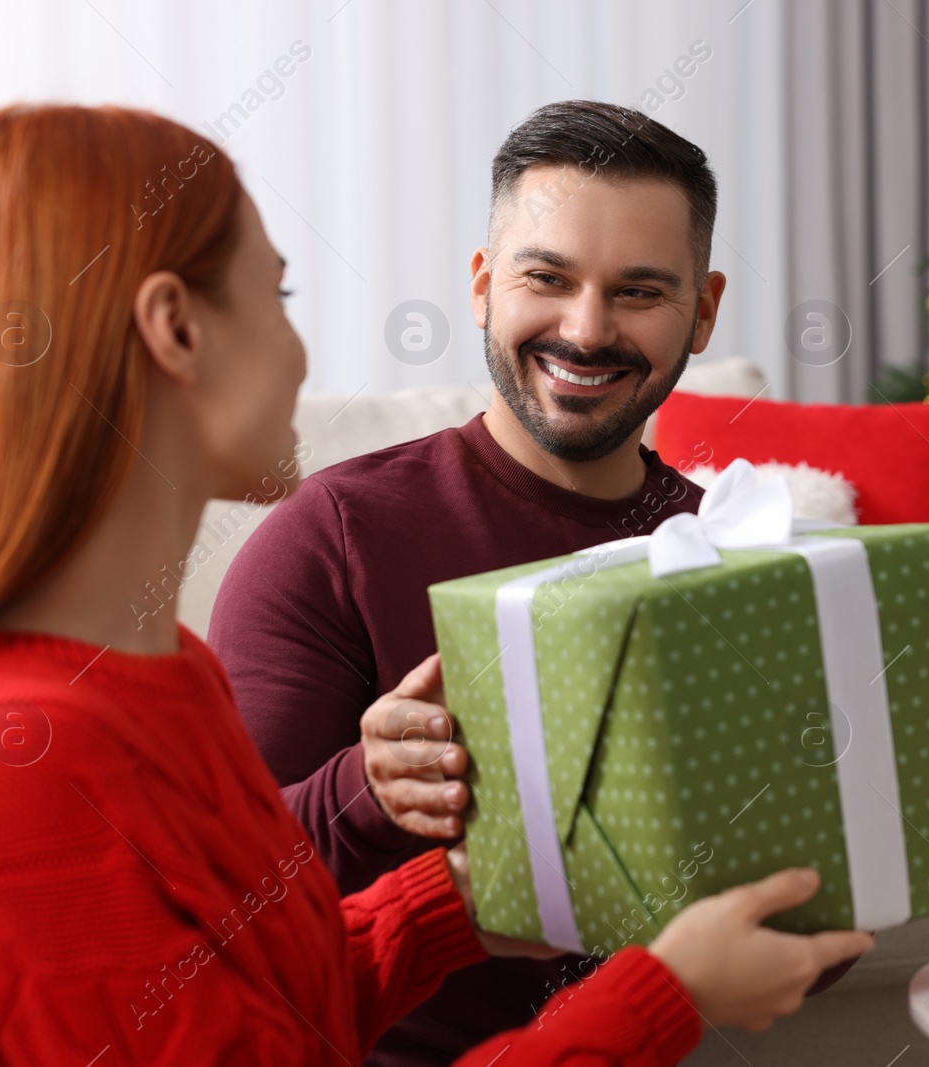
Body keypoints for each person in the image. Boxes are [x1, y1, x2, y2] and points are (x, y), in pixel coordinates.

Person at [0, 105, 872, 1066]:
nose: (302, 350)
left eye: (638, 288)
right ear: (176, 329)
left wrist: (456, 904)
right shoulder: (18, 769)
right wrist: (664, 993)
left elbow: (267, 999)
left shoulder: (165, 676)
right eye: (275, 293)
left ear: (699, 309)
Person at [207, 101, 814, 1064]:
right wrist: (368, 790)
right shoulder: (332, 536)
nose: (586, 329)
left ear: (703, 312)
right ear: (485, 285)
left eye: (640, 292)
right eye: (549, 277)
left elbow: (804, 922)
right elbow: (218, 903)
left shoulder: (734, 552)